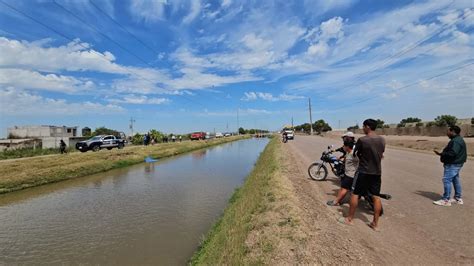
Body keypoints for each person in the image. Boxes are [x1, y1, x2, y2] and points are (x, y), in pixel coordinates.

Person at [340, 119, 385, 231]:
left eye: (364, 126)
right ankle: (375, 224)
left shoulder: (362, 140)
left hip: (363, 172)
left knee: (355, 194)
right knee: (376, 197)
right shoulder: (382, 140)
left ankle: (349, 219)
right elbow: (381, 153)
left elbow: (356, 153)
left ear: (368, 127)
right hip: (377, 173)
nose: (363, 128)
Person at [433, 126, 467, 206]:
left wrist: (442, 154)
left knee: (446, 180)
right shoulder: (457, 139)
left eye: (448, 131)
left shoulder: (455, 141)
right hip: (456, 163)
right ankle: (457, 198)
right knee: (455, 179)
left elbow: (453, 153)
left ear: (453, 131)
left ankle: (445, 200)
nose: (447, 133)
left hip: (453, 164)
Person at [327, 140, 358, 206]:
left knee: (344, 189)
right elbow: (346, 156)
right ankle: (339, 200)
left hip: (351, 175)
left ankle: (336, 202)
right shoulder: (348, 152)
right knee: (342, 187)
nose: (343, 147)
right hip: (347, 173)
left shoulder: (354, 154)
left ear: (347, 147)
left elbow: (360, 161)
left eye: (344, 146)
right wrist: (340, 158)